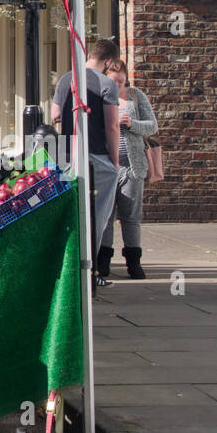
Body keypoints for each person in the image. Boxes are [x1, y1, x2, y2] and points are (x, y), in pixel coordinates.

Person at [51, 38, 120, 274]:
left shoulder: (65, 79)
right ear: (108, 61)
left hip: (68, 157)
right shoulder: (107, 84)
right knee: (97, 218)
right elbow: (112, 126)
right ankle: (88, 272)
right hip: (98, 157)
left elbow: (55, 114)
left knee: (71, 214)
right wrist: (115, 162)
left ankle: (67, 269)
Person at [98, 58, 158, 281]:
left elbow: (152, 126)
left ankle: (134, 263)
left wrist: (132, 124)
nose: (118, 84)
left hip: (132, 166)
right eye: (113, 80)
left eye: (121, 79)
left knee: (131, 216)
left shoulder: (135, 96)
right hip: (108, 166)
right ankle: (103, 263)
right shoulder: (100, 98)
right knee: (105, 216)